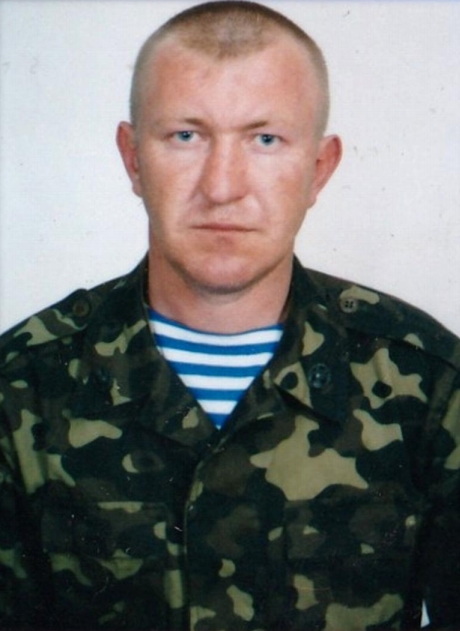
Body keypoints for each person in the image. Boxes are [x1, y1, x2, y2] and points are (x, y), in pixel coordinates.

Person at [0, 1, 459, 629]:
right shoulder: (19, 388)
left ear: (319, 169)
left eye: (265, 140)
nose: (222, 187)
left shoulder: (428, 385)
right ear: (133, 159)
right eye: (186, 136)